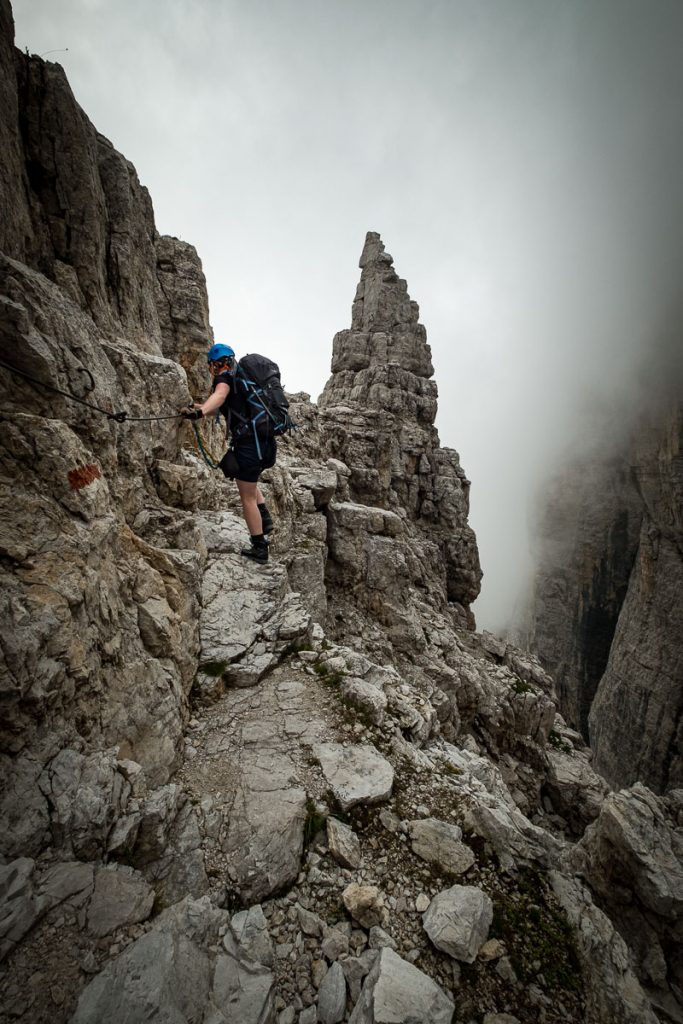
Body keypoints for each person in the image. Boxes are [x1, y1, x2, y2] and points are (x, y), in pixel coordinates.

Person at [183, 344, 275, 562]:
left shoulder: (224, 379)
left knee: (247, 497)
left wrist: (200, 412)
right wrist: (200, 407)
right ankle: (266, 519)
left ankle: (260, 548)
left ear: (215, 364)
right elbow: (218, 406)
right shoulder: (241, 381)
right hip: (265, 443)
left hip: (249, 446)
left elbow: (220, 396)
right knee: (250, 483)